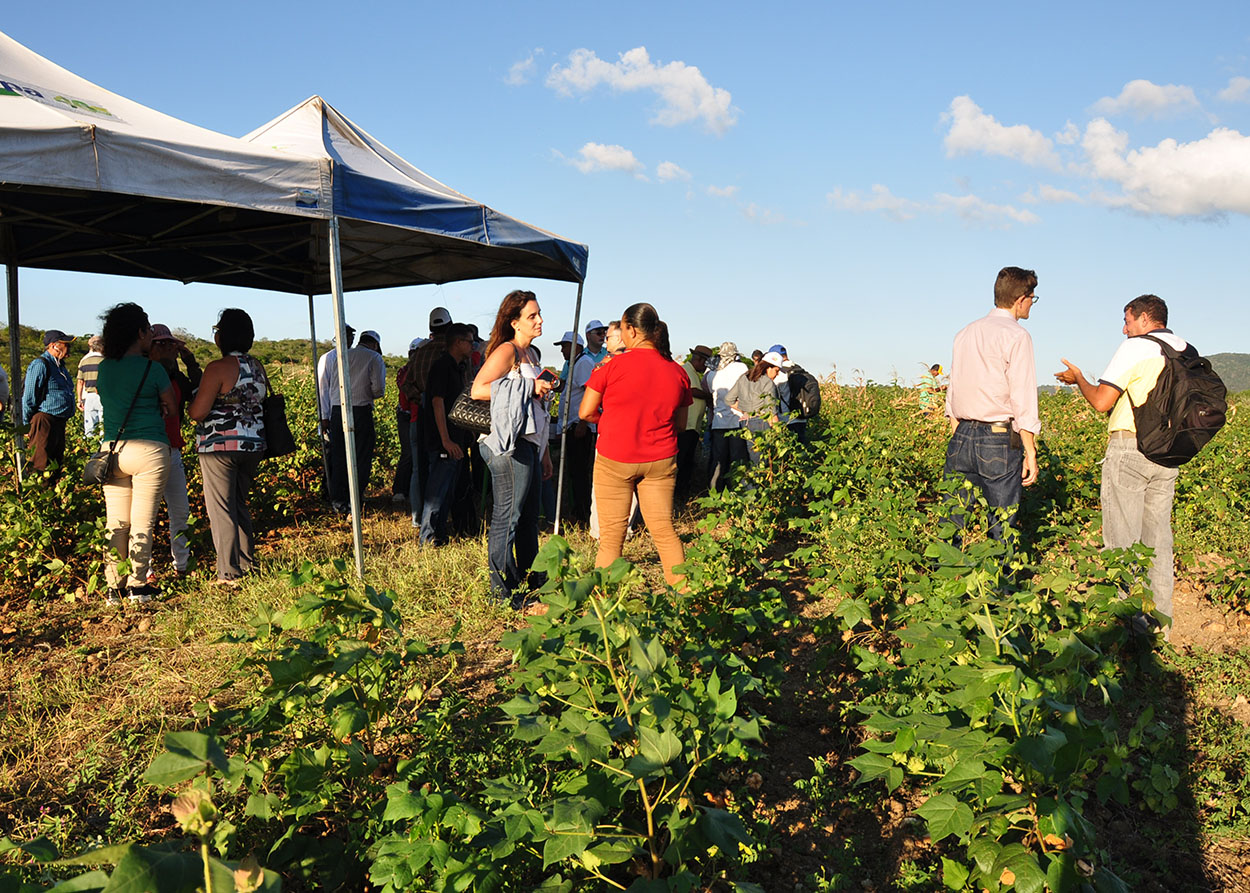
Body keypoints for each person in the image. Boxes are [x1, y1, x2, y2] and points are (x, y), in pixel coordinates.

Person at [1054, 295, 1186, 639]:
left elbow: (1101, 401)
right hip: (1168, 454)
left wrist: (1080, 378)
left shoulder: (1135, 347)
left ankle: (1128, 633)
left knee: (1123, 543)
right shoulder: (1183, 349)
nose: (1124, 328)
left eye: (1127, 320)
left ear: (1144, 319)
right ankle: (1159, 630)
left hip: (1131, 449)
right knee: (1158, 541)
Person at [580, 302, 692, 587]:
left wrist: (608, 422)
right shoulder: (678, 372)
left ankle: (604, 607)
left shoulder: (611, 367)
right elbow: (681, 424)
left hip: (615, 457)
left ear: (630, 329)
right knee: (664, 532)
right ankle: (687, 599)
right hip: (661, 459)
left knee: (611, 538)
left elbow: (585, 412)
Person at [944, 266, 1041, 540]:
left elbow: (954, 390)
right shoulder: (1017, 335)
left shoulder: (965, 333)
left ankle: (945, 577)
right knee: (1001, 523)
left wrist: (958, 432)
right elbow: (1022, 395)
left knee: (953, 516)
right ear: (1022, 298)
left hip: (962, 434)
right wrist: (1029, 450)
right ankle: (1001, 583)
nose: (1032, 305)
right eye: (1033, 298)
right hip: (998, 436)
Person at [471, 290, 555, 607]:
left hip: (528, 445)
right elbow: (480, 388)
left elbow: (536, 413)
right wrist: (528, 385)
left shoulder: (530, 354)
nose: (539, 320)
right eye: (532, 316)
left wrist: (544, 452)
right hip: (506, 446)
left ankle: (532, 584)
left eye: (539, 313)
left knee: (529, 517)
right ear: (514, 322)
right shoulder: (507, 351)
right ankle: (503, 593)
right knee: (509, 517)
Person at [95, 304, 176, 605]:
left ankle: (112, 588)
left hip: (113, 451)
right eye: (148, 329)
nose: (151, 335)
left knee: (115, 522)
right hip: (150, 450)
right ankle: (138, 587)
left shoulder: (104, 368)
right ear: (139, 333)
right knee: (142, 522)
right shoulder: (152, 368)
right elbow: (171, 407)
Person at [189, 309, 268, 586]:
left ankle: (228, 572)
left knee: (221, 508)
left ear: (221, 336)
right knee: (238, 503)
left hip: (219, 446)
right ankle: (247, 563)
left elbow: (198, 413)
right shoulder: (257, 366)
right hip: (253, 444)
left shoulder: (217, 368)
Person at [148, 324, 202, 577]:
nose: (168, 348)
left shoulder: (176, 377)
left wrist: (189, 359)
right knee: (145, 513)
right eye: (161, 344)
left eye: (171, 344)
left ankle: (181, 564)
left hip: (172, 450)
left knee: (180, 510)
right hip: (147, 450)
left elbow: (199, 391)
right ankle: (144, 570)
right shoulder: (143, 373)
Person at [418, 324, 474, 544]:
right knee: (436, 492)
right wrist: (446, 440)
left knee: (448, 491)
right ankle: (428, 537)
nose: (472, 346)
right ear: (458, 343)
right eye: (469, 341)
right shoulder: (442, 367)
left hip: (455, 439)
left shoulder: (457, 367)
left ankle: (439, 534)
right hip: (445, 441)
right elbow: (437, 402)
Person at [324, 328, 386, 513]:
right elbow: (379, 390)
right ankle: (355, 501)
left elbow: (332, 385)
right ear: (375, 344)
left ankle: (338, 502)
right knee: (361, 456)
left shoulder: (340, 356)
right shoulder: (374, 358)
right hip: (360, 411)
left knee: (339, 456)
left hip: (337, 411)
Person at [21, 330, 77, 476]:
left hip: (58, 422)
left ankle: (52, 497)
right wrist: (26, 425)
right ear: (54, 346)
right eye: (66, 345)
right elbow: (29, 397)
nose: (69, 349)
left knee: (55, 466)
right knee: (41, 465)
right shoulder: (40, 364)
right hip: (44, 421)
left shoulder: (60, 367)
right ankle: (39, 497)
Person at [555, 330, 595, 523]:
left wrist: (583, 422)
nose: (562, 350)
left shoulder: (584, 363)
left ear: (576, 346)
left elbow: (591, 392)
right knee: (575, 471)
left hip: (580, 426)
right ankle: (578, 510)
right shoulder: (573, 364)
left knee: (580, 472)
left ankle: (583, 514)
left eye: (565, 346)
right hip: (572, 425)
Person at [728, 350, 783, 465]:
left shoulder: (744, 377)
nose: (777, 374)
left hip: (744, 423)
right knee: (761, 464)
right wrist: (780, 434)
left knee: (745, 465)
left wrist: (746, 410)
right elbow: (772, 412)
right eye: (776, 371)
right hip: (762, 424)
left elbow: (729, 399)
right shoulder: (768, 383)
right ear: (768, 368)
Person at [707, 341, 749, 491]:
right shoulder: (741, 368)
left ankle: (714, 493)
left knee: (718, 462)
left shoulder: (712, 372)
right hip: (737, 421)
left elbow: (707, 390)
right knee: (737, 462)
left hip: (718, 423)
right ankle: (737, 493)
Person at [676, 345, 714, 502]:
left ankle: (683, 491)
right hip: (687, 424)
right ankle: (679, 493)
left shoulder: (694, 373)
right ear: (699, 360)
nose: (704, 367)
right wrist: (709, 396)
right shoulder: (686, 370)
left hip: (694, 425)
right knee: (683, 461)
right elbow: (690, 390)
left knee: (688, 460)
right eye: (704, 363)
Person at [392, 337, 423, 507]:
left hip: (410, 414)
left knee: (413, 453)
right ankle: (400, 490)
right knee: (409, 453)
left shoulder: (407, 370)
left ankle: (407, 490)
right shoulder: (406, 371)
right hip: (407, 415)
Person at [76, 335, 105, 436]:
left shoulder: (84, 361)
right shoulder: (105, 361)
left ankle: (88, 450)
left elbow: (80, 382)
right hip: (103, 395)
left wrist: (79, 399)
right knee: (103, 428)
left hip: (89, 396)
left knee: (89, 428)